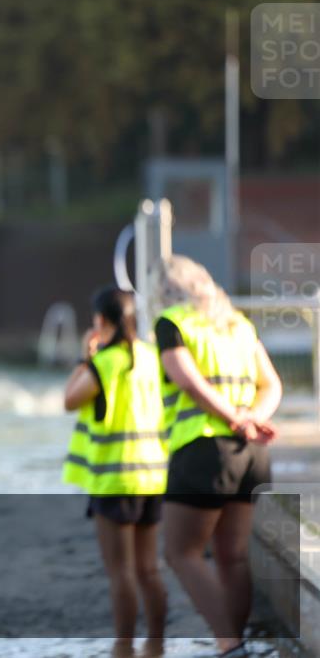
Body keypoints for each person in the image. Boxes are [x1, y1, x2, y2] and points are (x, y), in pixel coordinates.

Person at [153, 256, 282, 658]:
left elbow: (189, 383)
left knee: (180, 552)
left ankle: (230, 644)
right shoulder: (237, 324)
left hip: (204, 450)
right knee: (233, 556)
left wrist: (234, 419)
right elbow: (271, 384)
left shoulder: (172, 323)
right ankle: (236, 643)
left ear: (164, 290)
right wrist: (252, 420)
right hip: (252, 454)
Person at [62, 287, 168, 658]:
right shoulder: (152, 356)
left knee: (120, 571)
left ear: (101, 320)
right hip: (154, 475)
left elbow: (69, 399)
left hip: (115, 478)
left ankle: (123, 646)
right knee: (149, 569)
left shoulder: (107, 362)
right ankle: (156, 644)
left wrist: (84, 358)